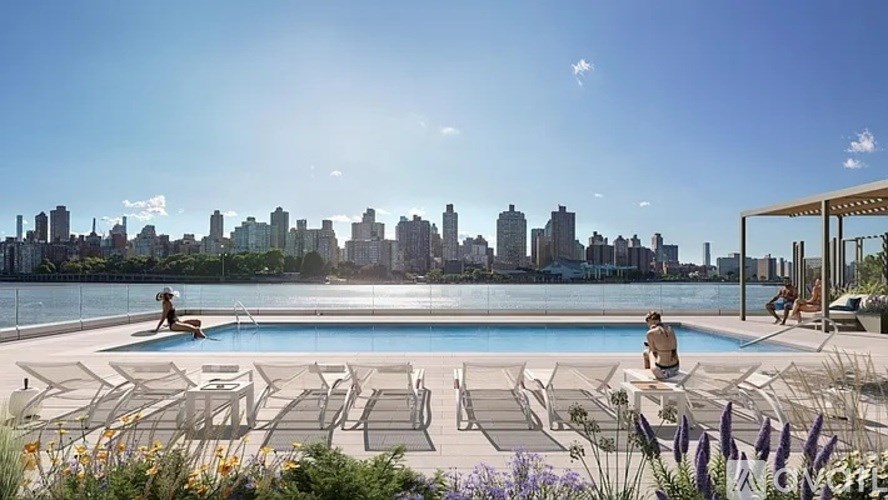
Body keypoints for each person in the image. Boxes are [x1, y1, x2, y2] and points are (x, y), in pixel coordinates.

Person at [644, 311, 680, 380]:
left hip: (661, 371)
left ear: (649, 321)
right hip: (675, 368)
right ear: (659, 320)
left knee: (646, 352)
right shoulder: (670, 329)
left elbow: (654, 352)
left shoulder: (650, 333)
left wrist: (650, 345)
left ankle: (647, 377)